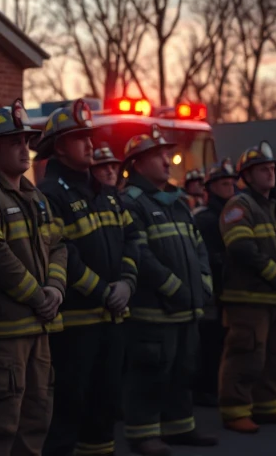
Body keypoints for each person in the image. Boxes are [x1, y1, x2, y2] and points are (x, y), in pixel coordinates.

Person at [0, 101, 67, 456]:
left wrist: (56, 288)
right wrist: (39, 296)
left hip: (37, 327)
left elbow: (59, 244)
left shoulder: (35, 196)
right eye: (14, 141)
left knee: (36, 418)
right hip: (1, 333)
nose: (25, 148)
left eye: (26, 140)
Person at [35, 99, 140, 456]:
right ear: (60, 146)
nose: (91, 145)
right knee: (69, 405)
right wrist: (103, 291)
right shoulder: (48, 194)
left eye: (90, 137)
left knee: (105, 403)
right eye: (81, 138)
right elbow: (61, 250)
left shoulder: (106, 193)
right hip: (76, 324)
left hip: (112, 316)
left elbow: (132, 239)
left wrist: (127, 282)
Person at [119, 126, 218, 455]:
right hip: (154, 310)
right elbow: (141, 256)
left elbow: (198, 247)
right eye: (158, 155)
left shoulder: (177, 202)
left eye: (167, 154)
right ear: (137, 164)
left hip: (186, 307)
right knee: (150, 371)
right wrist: (175, 288)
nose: (167, 159)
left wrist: (202, 283)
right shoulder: (131, 203)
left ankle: (180, 427)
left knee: (184, 369)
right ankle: (143, 433)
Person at [218, 141, 276, 433]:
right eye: (261, 169)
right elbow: (241, 246)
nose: (269, 173)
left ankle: (267, 406)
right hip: (249, 298)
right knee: (246, 353)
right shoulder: (240, 205)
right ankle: (234, 410)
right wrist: (275, 273)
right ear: (247, 177)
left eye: (270, 168)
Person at [193, 159, 239, 407]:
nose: (230, 186)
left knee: (225, 340)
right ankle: (205, 388)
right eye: (224, 183)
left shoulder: (234, 212)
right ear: (210, 188)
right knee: (210, 341)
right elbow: (206, 255)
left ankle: (218, 385)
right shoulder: (205, 218)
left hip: (230, 289)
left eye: (232, 182)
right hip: (212, 290)